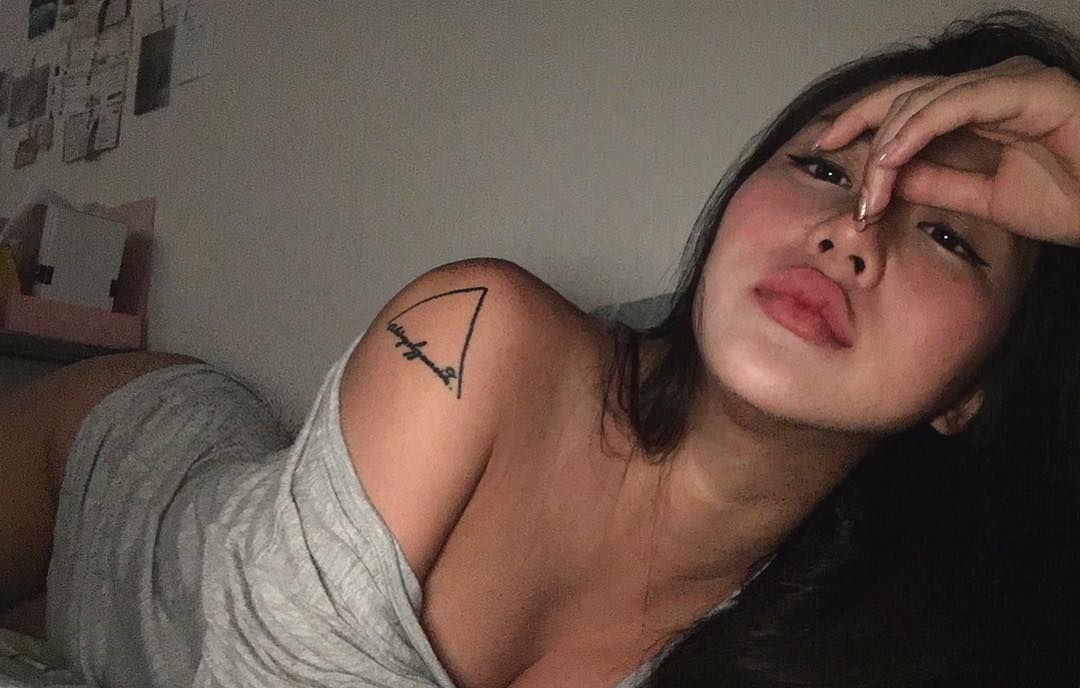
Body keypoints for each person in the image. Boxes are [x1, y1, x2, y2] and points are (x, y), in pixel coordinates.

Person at [2, 8, 1079, 688]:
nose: (853, 231)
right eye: (827, 168)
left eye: (947, 236)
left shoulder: (839, 638)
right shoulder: (482, 336)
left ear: (977, 391)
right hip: (113, 463)